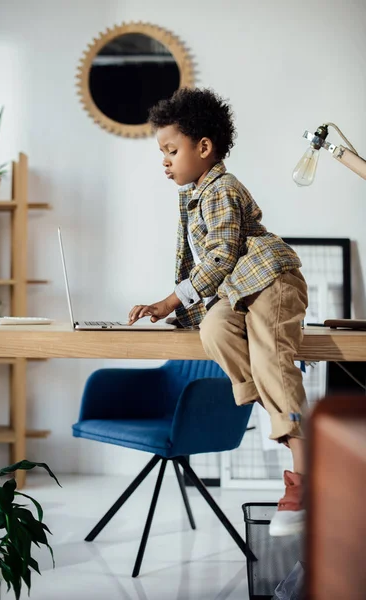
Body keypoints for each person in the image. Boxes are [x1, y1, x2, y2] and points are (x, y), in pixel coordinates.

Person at [128, 88, 308, 537]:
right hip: (237, 292)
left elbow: (221, 257)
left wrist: (171, 299)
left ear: (203, 148)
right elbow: (204, 270)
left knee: (269, 355)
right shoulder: (193, 197)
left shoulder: (220, 189)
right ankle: (277, 412)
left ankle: (304, 476)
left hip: (270, 280)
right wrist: (181, 311)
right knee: (213, 331)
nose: (164, 161)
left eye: (171, 150)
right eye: (162, 153)